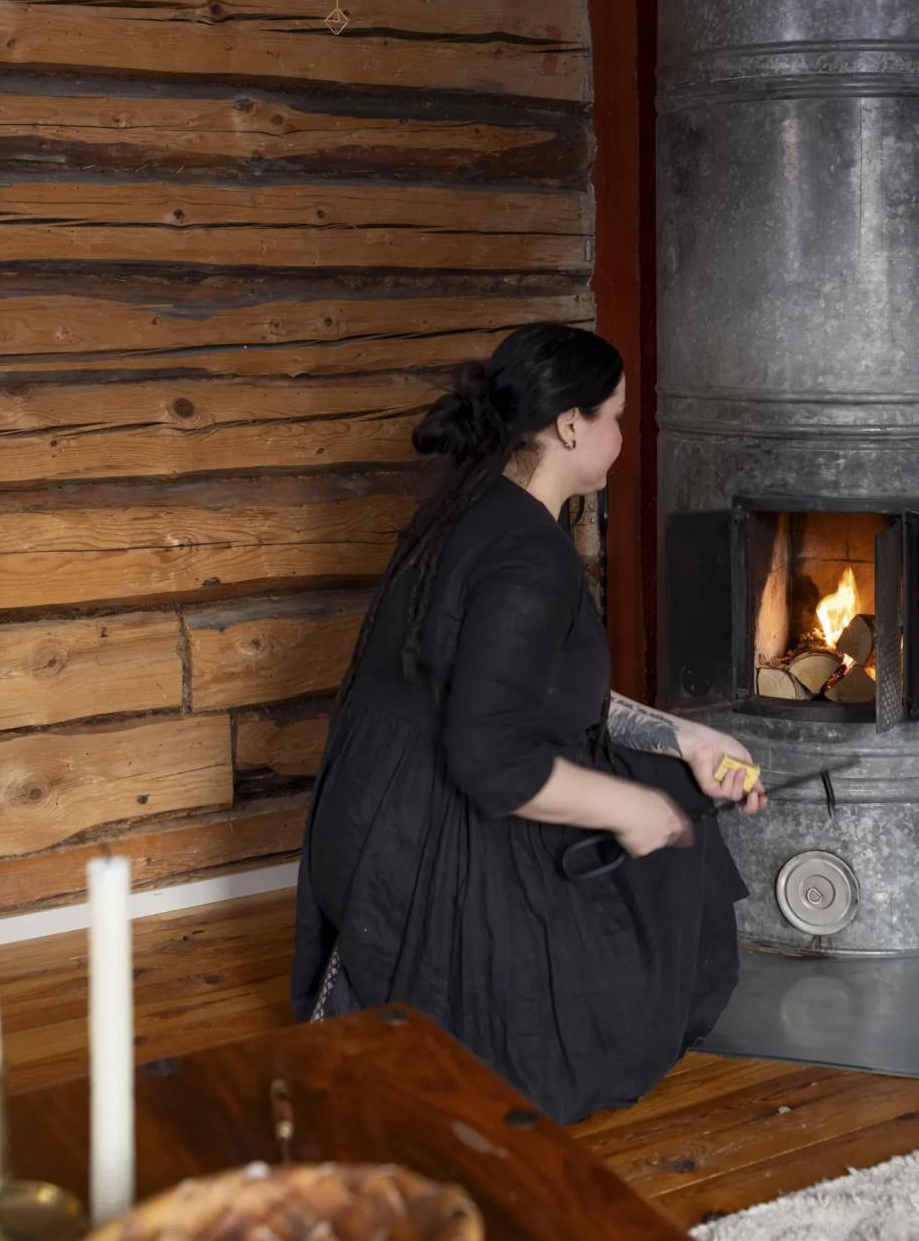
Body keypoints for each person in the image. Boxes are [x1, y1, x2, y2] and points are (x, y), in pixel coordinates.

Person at [291, 321, 765, 1123]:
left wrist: (684, 736)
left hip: (380, 813)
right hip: (433, 845)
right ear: (570, 425)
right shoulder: (527, 560)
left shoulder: (471, 509)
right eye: (614, 414)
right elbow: (492, 759)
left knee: (662, 777)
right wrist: (639, 810)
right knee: (672, 829)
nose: (621, 433)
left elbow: (521, 694)